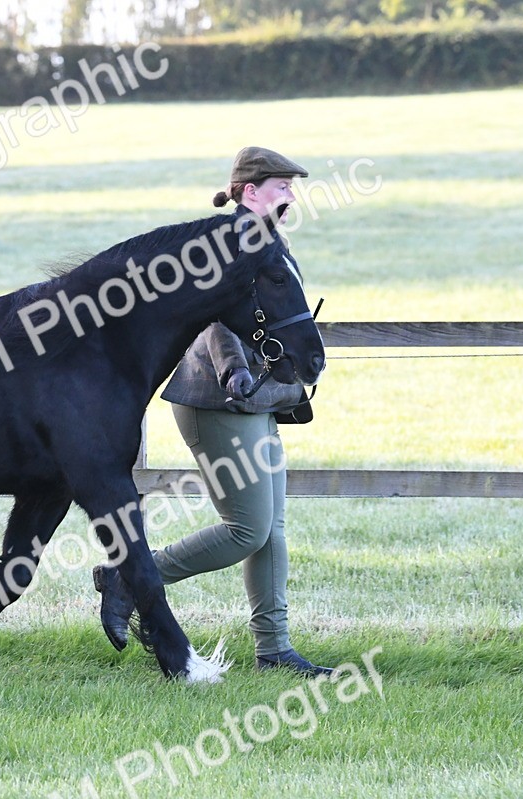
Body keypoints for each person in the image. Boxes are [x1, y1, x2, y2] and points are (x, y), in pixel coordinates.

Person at [93, 146, 334, 677]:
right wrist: (233, 371)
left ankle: (274, 650)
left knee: (271, 529)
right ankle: (130, 576)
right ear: (250, 192)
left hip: (263, 399)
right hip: (219, 400)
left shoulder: (268, 240)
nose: (291, 195)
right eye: (281, 187)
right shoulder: (225, 247)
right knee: (247, 528)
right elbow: (215, 317)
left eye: (292, 187)